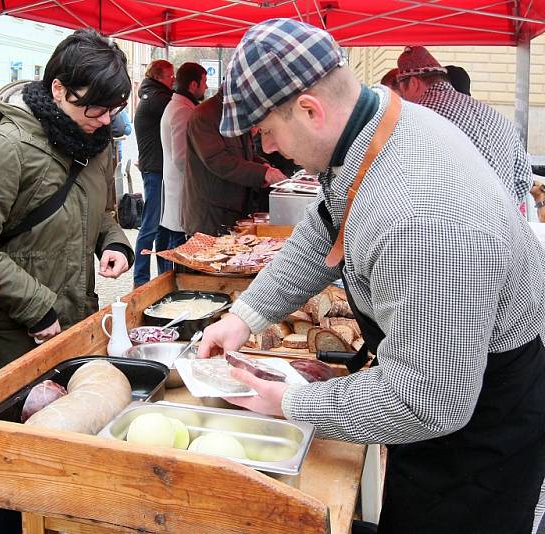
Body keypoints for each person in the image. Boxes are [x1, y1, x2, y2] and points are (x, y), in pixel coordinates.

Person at [199, 18, 545, 534]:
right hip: (444, 378)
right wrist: (246, 316)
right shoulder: (379, 122)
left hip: (480, 425)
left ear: (310, 111)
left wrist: (291, 402)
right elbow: (326, 227)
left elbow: (429, 400)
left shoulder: (419, 216)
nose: (269, 149)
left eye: (267, 132)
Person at [0, 28, 134, 374]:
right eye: (96, 108)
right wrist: (36, 306)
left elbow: (100, 211)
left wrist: (114, 243)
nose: (106, 120)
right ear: (58, 90)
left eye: (114, 109)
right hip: (16, 334)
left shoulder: (97, 145)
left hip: (77, 319)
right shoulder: (7, 148)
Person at [396, 45, 532, 205]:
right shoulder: (494, 115)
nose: (403, 97)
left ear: (413, 83)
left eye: (401, 90)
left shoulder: (415, 116)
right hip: (505, 225)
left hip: (448, 223)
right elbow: (524, 180)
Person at [182, 89, 285, 236]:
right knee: (209, 257)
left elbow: (246, 154)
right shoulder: (204, 115)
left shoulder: (235, 114)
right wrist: (264, 173)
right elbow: (217, 160)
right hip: (210, 215)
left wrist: (264, 165)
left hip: (233, 210)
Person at [158, 62, 207, 264]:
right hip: (182, 189)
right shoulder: (182, 111)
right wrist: (203, 176)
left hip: (178, 187)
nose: (205, 87)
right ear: (193, 85)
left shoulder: (179, 106)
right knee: (178, 246)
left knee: (176, 242)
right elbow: (181, 157)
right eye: (204, 82)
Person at [132, 59, 174, 286]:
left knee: (161, 227)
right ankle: (140, 281)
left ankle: (161, 277)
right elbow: (180, 105)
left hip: (158, 169)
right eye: (170, 76)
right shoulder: (156, 98)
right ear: (158, 77)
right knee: (150, 226)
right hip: (155, 171)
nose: (174, 80)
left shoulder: (153, 95)